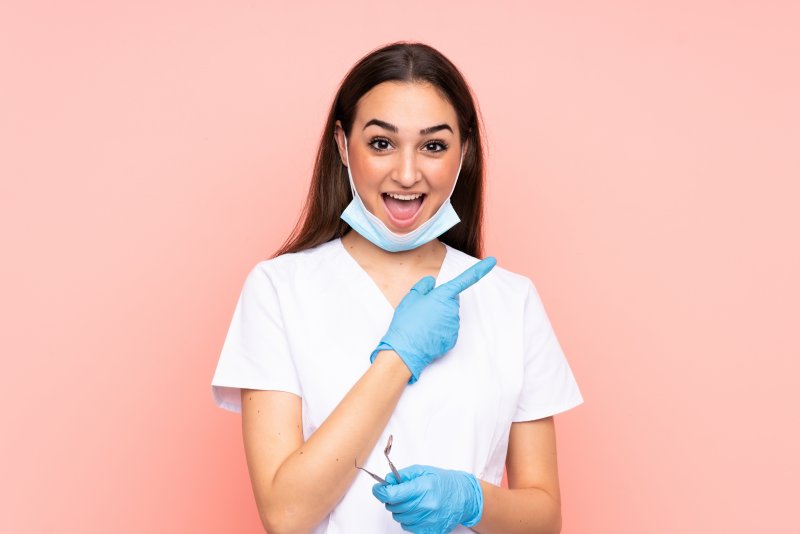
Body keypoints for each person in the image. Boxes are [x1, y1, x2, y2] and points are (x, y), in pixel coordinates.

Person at [211, 41, 583, 534]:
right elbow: (286, 514)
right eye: (381, 143)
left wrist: (472, 501)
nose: (407, 174)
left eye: (433, 146)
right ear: (343, 145)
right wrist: (400, 356)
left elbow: (544, 520)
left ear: (463, 152)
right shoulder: (278, 291)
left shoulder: (511, 301)